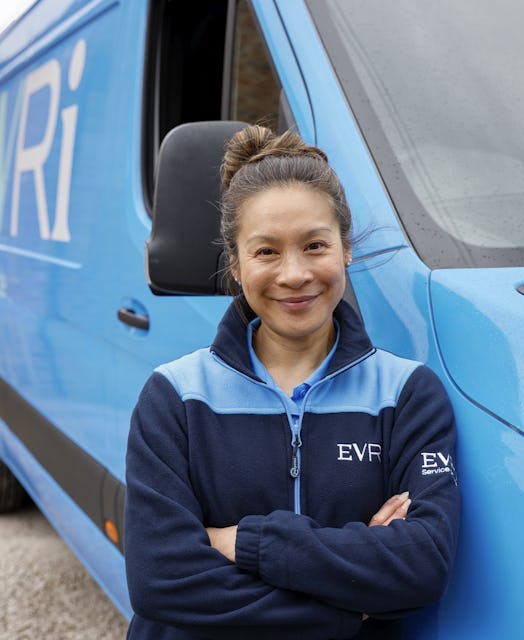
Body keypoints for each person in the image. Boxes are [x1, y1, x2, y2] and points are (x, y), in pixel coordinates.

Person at [124, 124, 460, 639]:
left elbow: (421, 566)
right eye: (266, 252)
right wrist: (349, 604)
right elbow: (161, 580)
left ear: (346, 249)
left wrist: (242, 542)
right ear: (234, 264)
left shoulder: (407, 393)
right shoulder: (176, 395)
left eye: (315, 245)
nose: (295, 273)